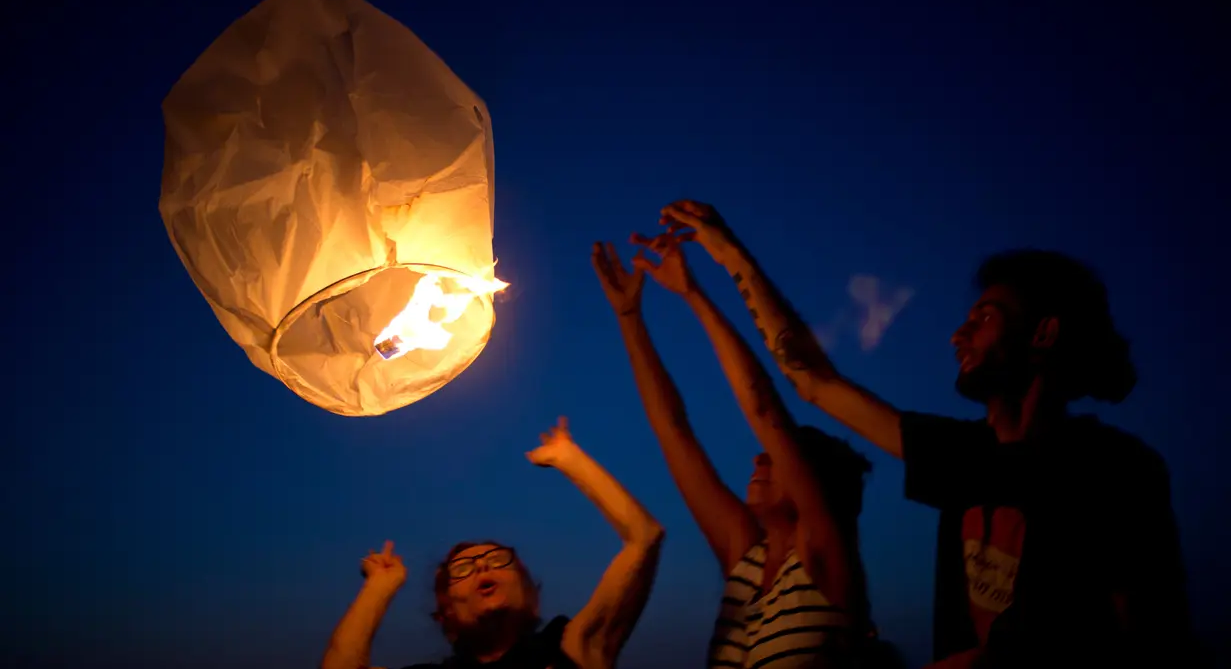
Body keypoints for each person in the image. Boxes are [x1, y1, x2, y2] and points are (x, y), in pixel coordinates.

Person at [655, 200, 1193, 668]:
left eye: (984, 318)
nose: (958, 334)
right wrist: (730, 257)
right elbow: (812, 380)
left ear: (1044, 334)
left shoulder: (1116, 469)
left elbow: (1146, 638)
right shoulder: (962, 458)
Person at [593, 237, 896, 669]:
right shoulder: (747, 558)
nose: (759, 459)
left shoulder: (823, 555)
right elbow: (673, 432)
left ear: (816, 482)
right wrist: (629, 316)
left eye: (776, 456)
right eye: (766, 454)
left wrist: (693, 294)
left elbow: (763, 407)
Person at [319, 417, 665, 669]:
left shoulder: (574, 647)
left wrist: (569, 458)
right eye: (463, 568)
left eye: (499, 559)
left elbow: (644, 538)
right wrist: (379, 586)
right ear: (447, 609)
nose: (483, 565)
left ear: (529, 593)